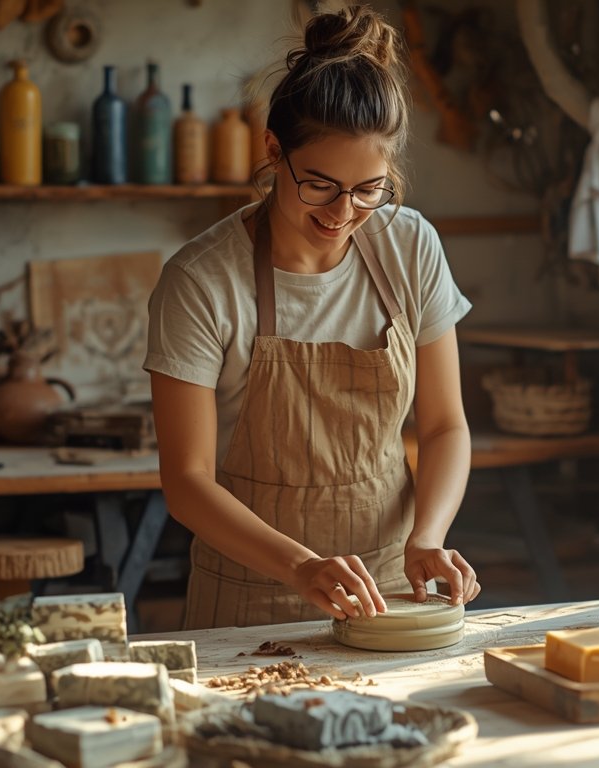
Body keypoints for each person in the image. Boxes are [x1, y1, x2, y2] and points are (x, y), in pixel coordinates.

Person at [144, 4, 481, 630]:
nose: (343, 212)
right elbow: (186, 480)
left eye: (369, 189)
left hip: (389, 591)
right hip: (249, 598)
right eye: (320, 185)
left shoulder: (409, 247)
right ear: (274, 151)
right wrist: (301, 567)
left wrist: (427, 536)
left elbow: (444, 427)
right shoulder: (202, 280)